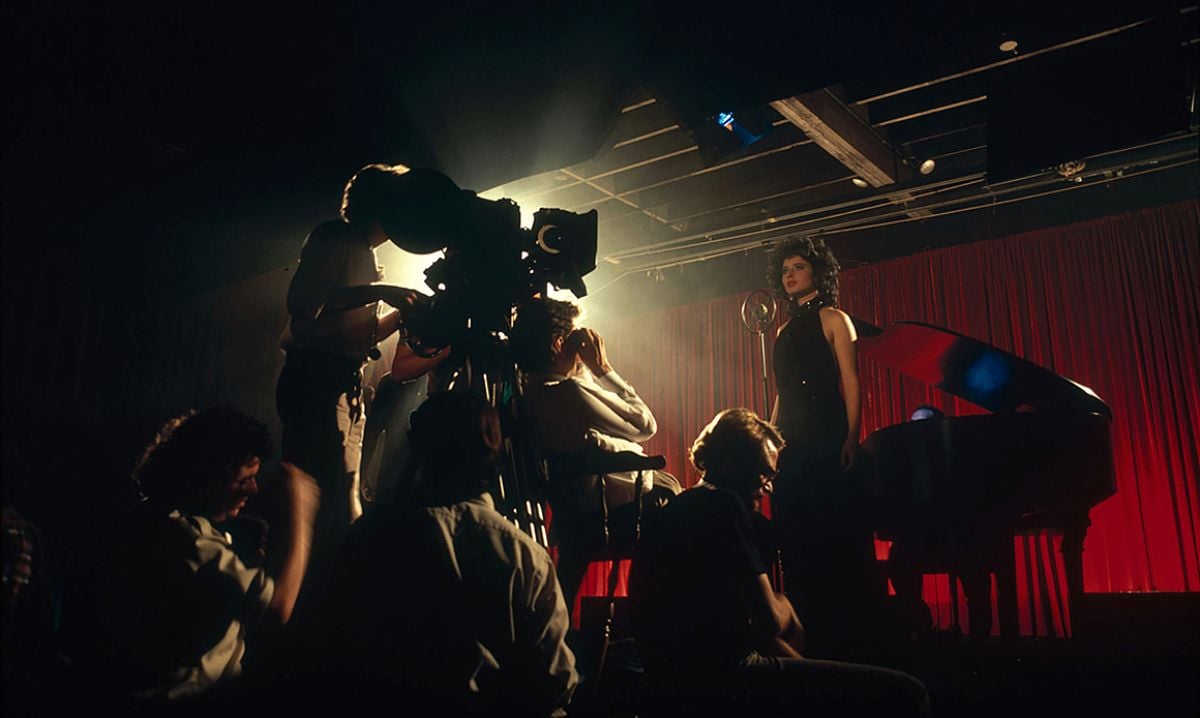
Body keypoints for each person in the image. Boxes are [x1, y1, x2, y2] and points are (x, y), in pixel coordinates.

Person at [630, 408, 930, 717]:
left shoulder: (677, 510)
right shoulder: (723, 505)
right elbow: (770, 623)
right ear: (732, 461)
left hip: (675, 684)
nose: (769, 488)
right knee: (909, 693)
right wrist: (783, 602)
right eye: (764, 473)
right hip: (725, 681)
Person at [313, 391, 578, 717]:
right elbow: (553, 683)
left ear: (418, 451)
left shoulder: (373, 534)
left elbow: (332, 642)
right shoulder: (525, 555)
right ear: (497, 452)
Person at [65, 407, 319, 704]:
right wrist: (302, 513)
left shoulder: (154, 517)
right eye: (243, 480)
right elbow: (278, 609)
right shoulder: (188, 541)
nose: (253, 489)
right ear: (207, 478)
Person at [276, 163, 420, 605]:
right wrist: (385, 291)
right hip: (317, 379)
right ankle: (310, 609)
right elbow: (306, 308)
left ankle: (327, 605)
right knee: (327, 499)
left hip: (343, 383)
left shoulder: (364, 251)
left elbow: (361, 332)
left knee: (343, 498)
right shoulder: (334, 237)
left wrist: (404, 310)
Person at [510, 297, 681, 609]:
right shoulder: (568, 393)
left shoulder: (526, 394)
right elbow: (645, 425)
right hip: (612, 514)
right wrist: (602, 368)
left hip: (571, 518)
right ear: (559, 343)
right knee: (678, 500)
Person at [766, 236, 881, 658]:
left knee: (833, 531)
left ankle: (846, 636)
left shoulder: (834, 317)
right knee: (796, 535)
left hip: (827, 430)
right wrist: (770, 439)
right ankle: (805, 633)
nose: (790, 275)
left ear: (816, 272)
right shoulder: (780, 329)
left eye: (798, 267)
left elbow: (850, 380)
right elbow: (781, 393)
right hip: (792, 437)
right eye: (785, 270)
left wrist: (852, 435)